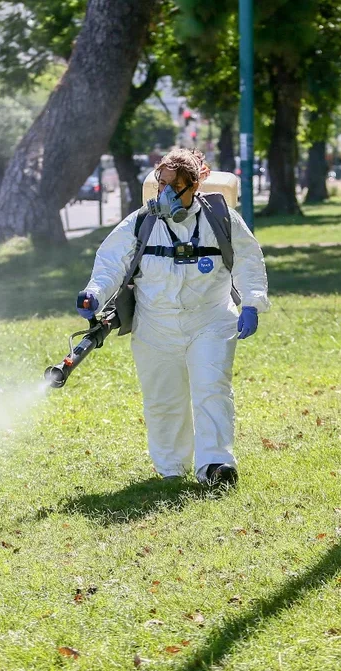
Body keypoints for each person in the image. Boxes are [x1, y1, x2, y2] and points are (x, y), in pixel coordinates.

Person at [76, 149, 269, 488]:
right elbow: (110, 262)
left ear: (194, 185)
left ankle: (215, 465)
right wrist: (94, 292)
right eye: (159, 183)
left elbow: (249, 260)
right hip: (156, 325)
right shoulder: (141, 222)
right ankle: (171, 468)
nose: (164, 193)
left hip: (209, 320)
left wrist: (251, 302)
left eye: (172, 185)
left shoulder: (221, 220)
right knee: (163, 400)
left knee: (212, 390)